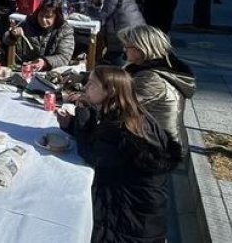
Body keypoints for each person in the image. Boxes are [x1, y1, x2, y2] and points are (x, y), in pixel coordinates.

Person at [57, 66, 180, 243]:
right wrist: (71, 125)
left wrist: (83, 111)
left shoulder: (123, 127)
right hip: (141, 210)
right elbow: (98, 139)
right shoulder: (128, 113)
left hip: (131, 221)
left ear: (111, 91)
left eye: (92, 84)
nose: (85, 87)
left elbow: (91, 153)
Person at [120, 25, 197, 160]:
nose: (124, 49)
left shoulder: (152, 79)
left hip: (162, 151)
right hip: (157, 140)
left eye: (127, 46)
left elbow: (125, 108)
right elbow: (117, 81)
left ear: (142, 48)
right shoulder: (151, 70)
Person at [97, 0, 145, 66]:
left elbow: (105, 12)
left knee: (119, 58)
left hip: (122, 31)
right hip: (133, 27)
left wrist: (92, 15)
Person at [4, 3, 75, 70]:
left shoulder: (65, 30)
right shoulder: (29, 23)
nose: (43, 20)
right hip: (27, 68)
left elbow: (64, 57)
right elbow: (6, 40)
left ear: (56, 17)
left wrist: (44, 62)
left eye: (48, 17)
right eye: (41, 16)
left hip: (52, 71)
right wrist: (12, 35)